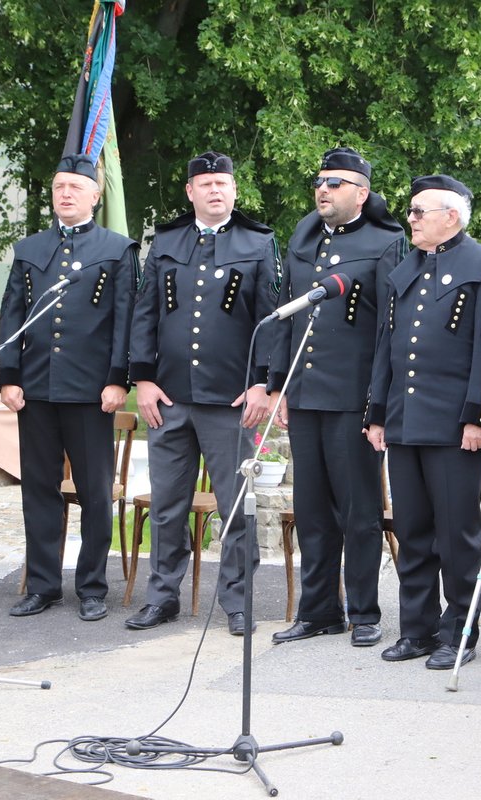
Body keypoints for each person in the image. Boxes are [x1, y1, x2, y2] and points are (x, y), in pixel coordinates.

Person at [125, 151, 280, 636]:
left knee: (236, 506)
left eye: (223, 184)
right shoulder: (167, 241)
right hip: (169, 397)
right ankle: (162, 597)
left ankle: (237, 601)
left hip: (231, 400)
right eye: (205, 183)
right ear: (190, 191)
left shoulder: (258, 242)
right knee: (168, 505)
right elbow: (144, 313)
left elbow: (271, 320)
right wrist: (143, 379)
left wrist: (262, 383)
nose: (215, 191)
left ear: (235, 191)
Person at [365, 174, 481, 669]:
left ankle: (459, 632)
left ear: (450, 216)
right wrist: (378, 413)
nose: (409, 219)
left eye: (417, 212)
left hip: (455, 427)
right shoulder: (403, 270)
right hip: (406, 424)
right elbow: (386, 345)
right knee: (413, 531)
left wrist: (480, 417)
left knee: (457, 534)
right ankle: (418, 629)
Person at [269, 147, 407, 648]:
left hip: (353, 396)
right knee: (311, 510)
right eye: (319, 181)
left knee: (358, 510)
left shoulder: (388, 242)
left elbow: (389, 331)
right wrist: (277, 383)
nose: (323, 190)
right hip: (305, 395)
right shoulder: (304, 238)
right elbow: (286, 314)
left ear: (362, 193)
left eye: (336, 182)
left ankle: (364, 611)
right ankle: (318, 610)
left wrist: (379, 403)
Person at [0, 153, 138, 622]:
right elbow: (13, 315)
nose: (65, 194)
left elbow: (124, 321)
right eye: (59, 187)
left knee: (95, 492)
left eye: (75, 187)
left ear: (95, 196)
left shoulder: (117, 249)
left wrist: (119, 379)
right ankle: (43, 585)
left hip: (90, 392)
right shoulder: (29, 248)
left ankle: (93, 586)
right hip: (35, 389)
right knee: (38, 489)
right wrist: (8, 378)